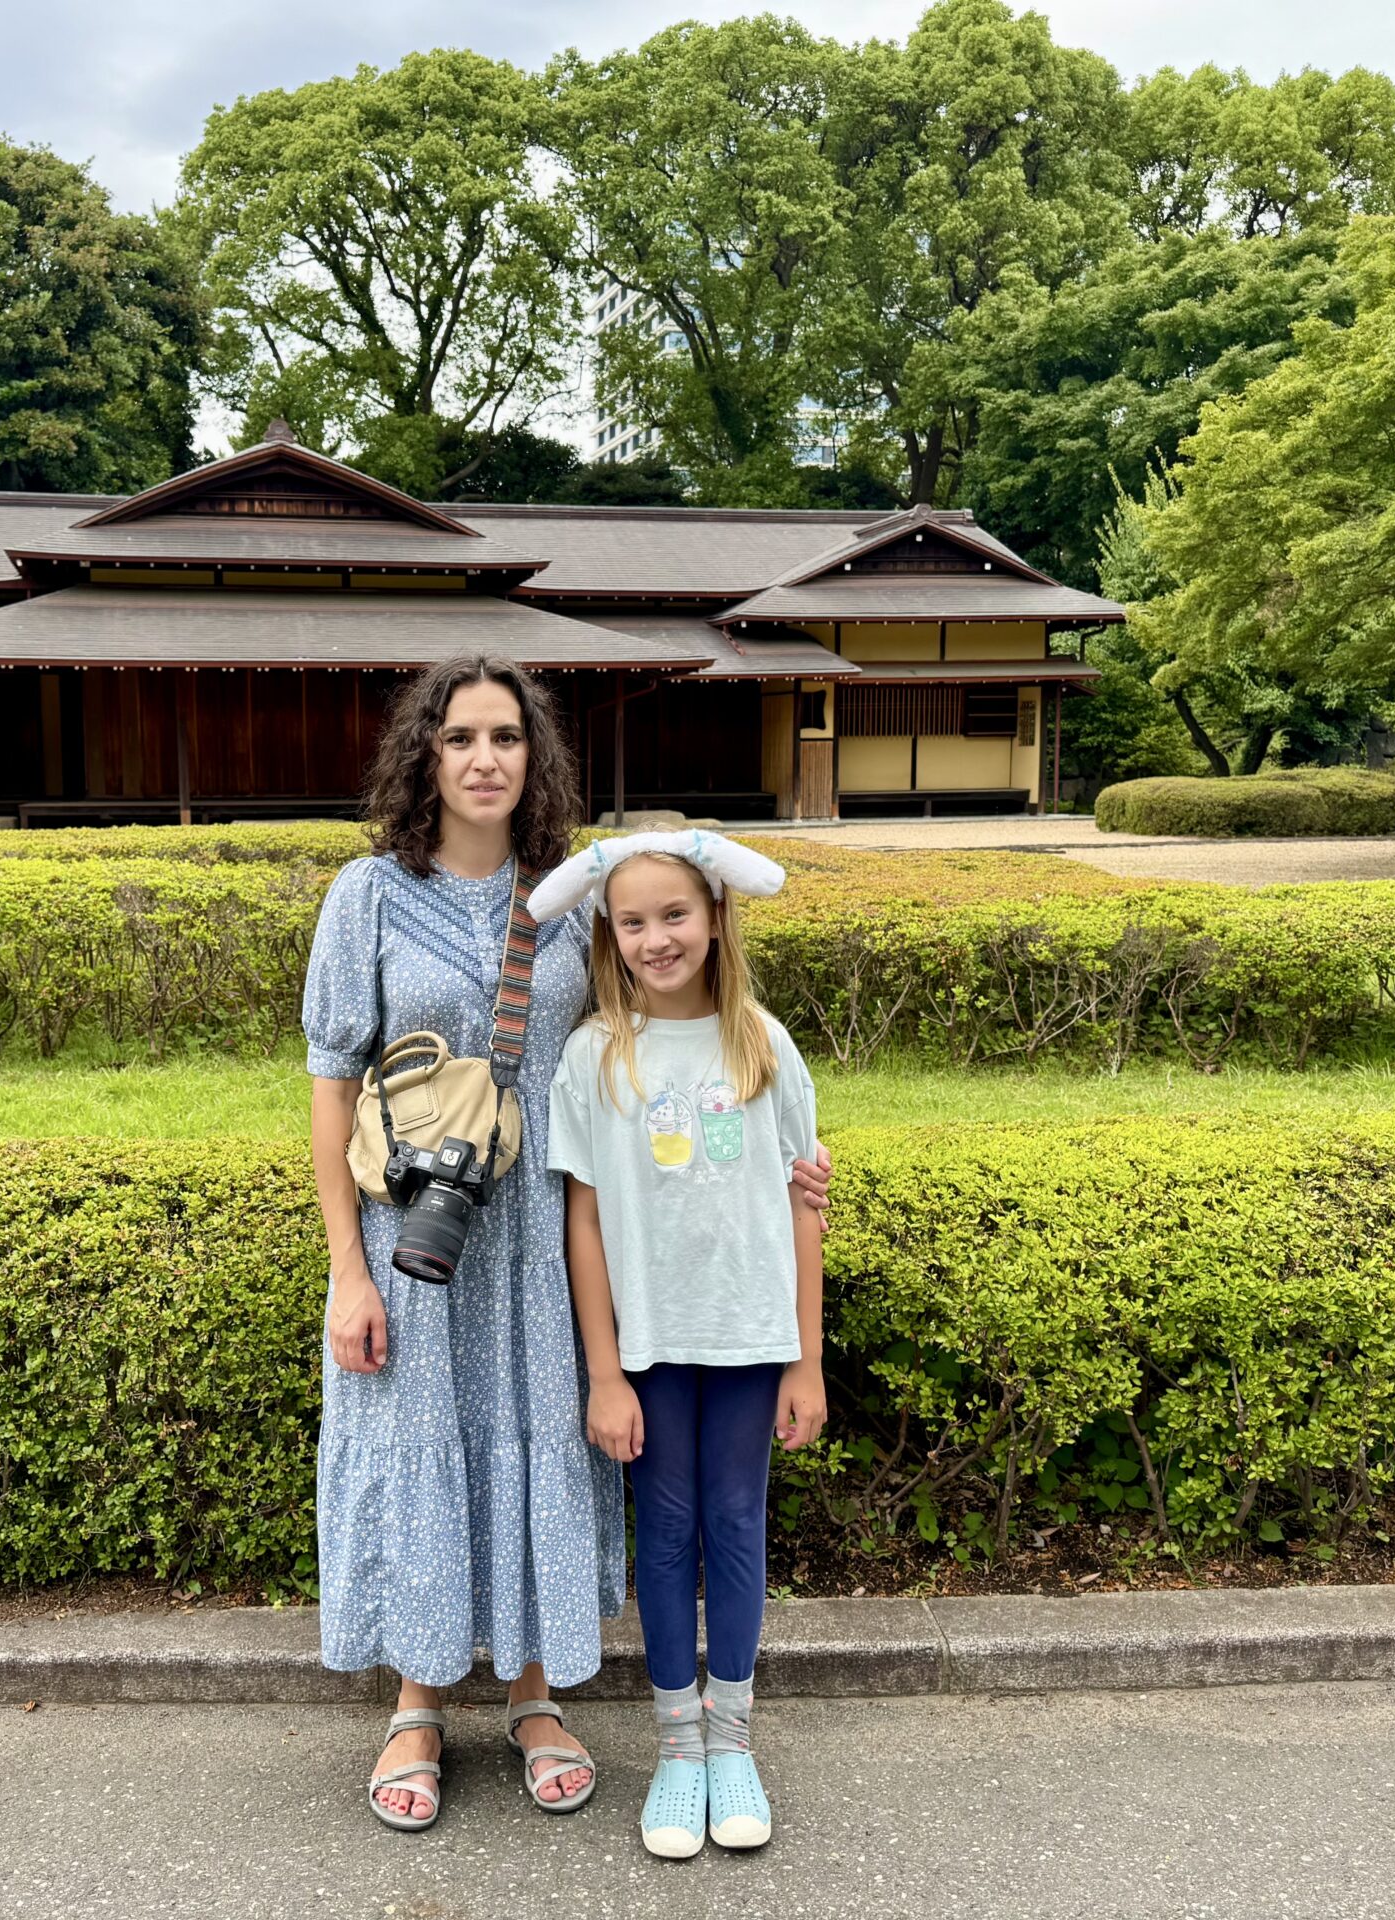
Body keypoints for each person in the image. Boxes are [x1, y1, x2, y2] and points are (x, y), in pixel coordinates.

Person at [303, 658, 831, 1834]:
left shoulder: (578, 900)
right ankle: (418, 1699)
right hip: (420, 1234)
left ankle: (536, 1693)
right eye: (459, 738)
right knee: (423, 1440)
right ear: (424, 758)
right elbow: (332, 1087)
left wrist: (773, 1155)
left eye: (506, 736)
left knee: (547, 1437)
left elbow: (669, 1027)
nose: (484, 758)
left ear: (534, 757)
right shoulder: (367, 897)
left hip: (550, 1229)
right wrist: (349, 1270)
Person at [534, 830, 828, 1859]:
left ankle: (732, 1741)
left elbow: (803, 1204)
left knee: (734, 1523)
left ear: (713, 919)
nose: (656, 938)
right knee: (663, 1534)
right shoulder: (592, 1057)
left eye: (675, 915)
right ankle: (675, 1750)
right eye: (633, 921)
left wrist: (807, 1357)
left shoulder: (760, 1041)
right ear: (606, 937)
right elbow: (582, 1219)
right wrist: (604, 1371)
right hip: (648, 1350)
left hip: (751, 1335)